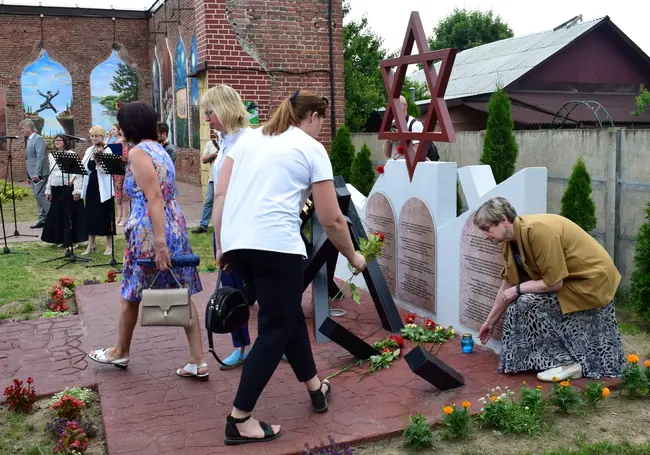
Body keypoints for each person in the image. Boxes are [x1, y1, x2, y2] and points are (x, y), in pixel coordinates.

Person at [212, 89, 367, 444]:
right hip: (276, 247)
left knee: (288, 317)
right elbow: (331, 219)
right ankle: (239, 419)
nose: (321, 132)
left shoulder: (249, 140)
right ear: (313, 117)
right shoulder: (311, 149)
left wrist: (222, 244)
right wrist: (354, 256)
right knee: (274, 329)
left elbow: (221, 194)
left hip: (240, 245)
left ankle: (316, 388)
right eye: (321, 124)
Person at [87, 101, 207, 379]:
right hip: (171, 222)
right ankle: (197, 361)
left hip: (150, 231)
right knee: (181, 290)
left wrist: (160, 244)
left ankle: (120, 352)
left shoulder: (140, 152)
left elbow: (153, 196)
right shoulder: (160, 150)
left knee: (131, 292)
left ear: (129, 126)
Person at [474, 197, 625, 382]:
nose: (485, 235)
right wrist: (490, 322)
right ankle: (544, 361)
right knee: (518, 304)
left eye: (486, 229)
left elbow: (554, 283)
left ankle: (570, 363)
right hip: (570, 280)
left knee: (526, 302)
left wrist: (519, 289)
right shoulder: (508, 242)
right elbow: (508, 283)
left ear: (503, 221)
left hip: (592, 281)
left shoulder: (538, 231)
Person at [200, 84, 254, 368]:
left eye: (210, 112)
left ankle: (281, 341)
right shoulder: (225, 141)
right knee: (231, 288)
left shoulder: (249, 140)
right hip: (227, 227)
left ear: (224, 108)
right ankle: (241, 346)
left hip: (246, 227)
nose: (207, 118)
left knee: (264, 288)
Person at [41, 135, 87, 250]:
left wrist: (77, 190)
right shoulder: (52, 155)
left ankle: (73, 239)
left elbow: (76, 173)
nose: (57, 142)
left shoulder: (71, 154)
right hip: (56, 187)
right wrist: (48, 189)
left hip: (68, 187)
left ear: (65, 142)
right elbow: (51, 173)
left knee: (70, 213)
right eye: (55, 140)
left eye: (59, 140)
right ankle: (61, 239)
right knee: (58, 213)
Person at [80, 126, 115, 256]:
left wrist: (98, 162)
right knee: (90, 214)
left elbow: (108, 170)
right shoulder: (89, 150)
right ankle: (91, 244)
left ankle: (109, 245)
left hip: (103, 187)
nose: (94, 138)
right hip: (91, 185)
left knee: (105, 214)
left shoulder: (107, 150)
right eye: (92, 136)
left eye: (97, 136)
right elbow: (84, 167)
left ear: (102, 137)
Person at [19, 119, 50, 228]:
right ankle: (43, 219)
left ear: (29, 128)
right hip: (32, 173)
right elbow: (29, 159)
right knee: (37, 196)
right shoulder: (29, 139)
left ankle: (51, 218)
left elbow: (40, 157)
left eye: (23, 128)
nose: (21, 130)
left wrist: (36, 174)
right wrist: (29, 175)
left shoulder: (38, 138)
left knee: (41, 195)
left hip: (40, 173)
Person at [191, 134, 219, 234]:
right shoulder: (210, 144)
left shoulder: (228, 144)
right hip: (213, 179)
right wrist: (213, 155)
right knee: (208, 201)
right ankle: (203, 225)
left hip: (225, 179)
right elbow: (203, 160)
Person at [107, 124, 131, 227]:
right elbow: (104, 150)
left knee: (124, 194)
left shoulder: (123, 142)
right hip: (115, 171)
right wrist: (108, 139)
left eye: (114, 129)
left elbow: (126, 157)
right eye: (111, 129)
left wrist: (119, 157)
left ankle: (125, 217)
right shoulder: (113, 142)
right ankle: (119, 216)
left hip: (122, 171)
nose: (112, 131)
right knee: (117, 194)